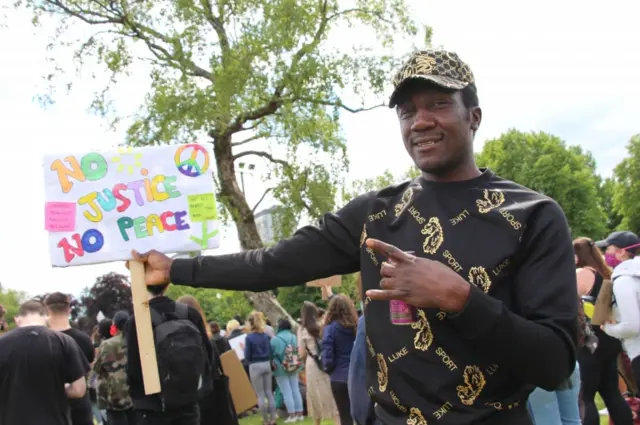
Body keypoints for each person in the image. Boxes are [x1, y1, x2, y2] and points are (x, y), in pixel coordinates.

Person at [127, 48, 578, 425]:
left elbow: (556, 363)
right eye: (407, 111)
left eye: (438, 104)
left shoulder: (533, 215)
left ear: (473, 116)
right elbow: (272, 263)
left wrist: (461, 299)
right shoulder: (376, 213)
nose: (420, 121)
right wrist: (177, 267)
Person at [125, 282, 212, 425]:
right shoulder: (189, 313)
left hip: (153, 406)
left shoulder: (137, 321)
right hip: (188, 399)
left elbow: (134, 369)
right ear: (167, 285)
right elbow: (208, 356)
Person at [574, 237, 634, 425]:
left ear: (578, 255)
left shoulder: (582, 273)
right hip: (609, 338)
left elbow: (566, 301)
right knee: (612, 393)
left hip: (590, 342)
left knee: (586, 396)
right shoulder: (607, 273)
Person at [0, 300, 89, 425]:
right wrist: (55, 388)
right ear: (47, 318)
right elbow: (79, 390)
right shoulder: (65, 341)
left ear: (17, 319)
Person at [45, 292, 96, 425]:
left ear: (47, 310)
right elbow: (89, 367)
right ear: (69, 310)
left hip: (51, 408)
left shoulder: (41, 341)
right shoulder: (84, 339)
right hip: (80, 407)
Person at [600, 232, 640, 390]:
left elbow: (632, 326)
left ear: (621, 252)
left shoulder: (623, 280)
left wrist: (608, 329)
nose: (605, 254)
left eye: (608, 249)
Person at [298, 302, 339, 425]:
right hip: (326, 362)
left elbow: (301, 354)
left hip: (312, 364)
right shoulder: (323, 325)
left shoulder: (302, 330)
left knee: (314, 396)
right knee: (332, 397)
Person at [93, 310, 136, 425]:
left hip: (115, 395)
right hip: (135, 393)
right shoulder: (135, 340)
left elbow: (96, 368)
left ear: (115, 325)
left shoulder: (107, 344)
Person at [245, 311, 277, 425]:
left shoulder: (249, 338)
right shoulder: (265, 336)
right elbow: (270, 351)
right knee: (269, 392)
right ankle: (273, 418)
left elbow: (247, 356)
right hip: (266, 364)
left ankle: (265, 420)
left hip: (255, 365)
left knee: (260, 394)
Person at [271, 318, 304, 422]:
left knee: (286, 392)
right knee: (295, 390)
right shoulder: (294, 337)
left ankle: (292, 415)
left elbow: (271, 354)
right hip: (294, 366)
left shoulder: (275, 339)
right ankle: (300, 413)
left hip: (280, 368)